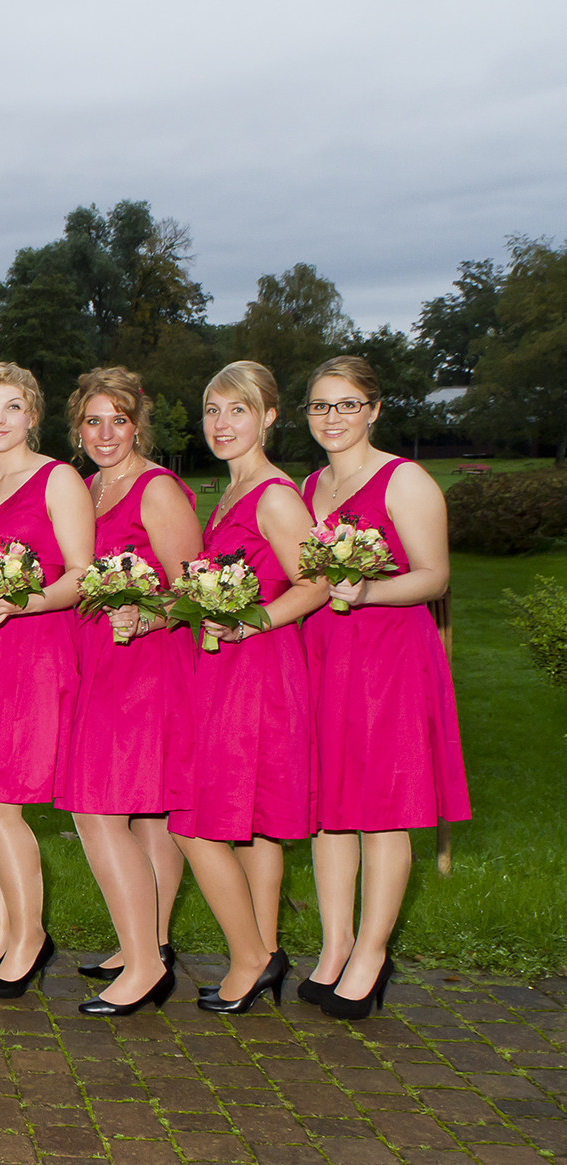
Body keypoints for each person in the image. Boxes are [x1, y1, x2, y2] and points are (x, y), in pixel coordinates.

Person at [299, 355, 469, 1020]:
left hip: (390, 658)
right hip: (323, 656)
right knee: (328, 805)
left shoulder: (406, 481)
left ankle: (372, 951)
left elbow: (435, 577)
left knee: (383, 805)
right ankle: (335, 944)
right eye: (320, 405)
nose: (332, 417)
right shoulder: (310, 486)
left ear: (374, 409)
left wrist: (367, 590)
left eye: (346, 404)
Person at [170, 360, 327, 1014]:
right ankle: (264, 950)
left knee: (192, 823)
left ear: (268, 416)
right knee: (257, 823)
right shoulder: (231, 493)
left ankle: (250, 956)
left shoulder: (274, 495)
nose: (222, 423)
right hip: (226, 669)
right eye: (213, 410)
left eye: (238, 409)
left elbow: (316, 582)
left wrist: (252, 622)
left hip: (257, 673)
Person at [55, 367, 201, 1016]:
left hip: (147, 670)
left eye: (118, 419)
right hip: (96, 665)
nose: (106, 432)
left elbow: (193, 588)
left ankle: (144, 966)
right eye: (93, 420)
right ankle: (149, 943)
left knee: (99, 811)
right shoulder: (85, 488)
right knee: (143, 815)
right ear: (77, 428)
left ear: (139, 424)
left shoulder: (157, 490)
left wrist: (150, 615)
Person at [0, 362, 93, 999]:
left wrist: (28, 602)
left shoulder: (56, 479)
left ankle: (32, 936)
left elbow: (81, 574)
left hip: (33, 651)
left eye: (13, 407)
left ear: (33, 416)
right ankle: (2, 930)